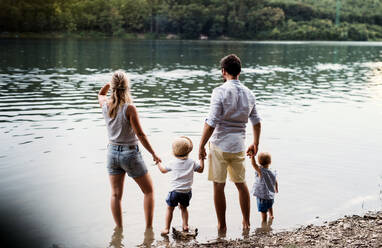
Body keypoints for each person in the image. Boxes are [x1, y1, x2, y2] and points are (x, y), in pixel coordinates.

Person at [199, 54, 261, 232]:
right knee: (241, 185)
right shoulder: (249, 93)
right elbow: (256, 121)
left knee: (219, 186)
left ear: (223, 71)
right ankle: (246, 223)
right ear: (240, 72)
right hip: (239, 145)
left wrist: (202, 144)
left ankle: (222, 225)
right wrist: (255, 143)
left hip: (219, 145)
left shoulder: (219, 91)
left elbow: (211, 122)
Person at [98, 70, 161, 230]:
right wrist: (154, 153)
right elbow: (140, 134)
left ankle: (119, 231)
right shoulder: (129, 108)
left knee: (115, 195)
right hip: (130, 154)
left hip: (112, 153)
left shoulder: (105, 105)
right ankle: (148, 230)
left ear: (113, 87)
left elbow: (101, 94)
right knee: (149, 191)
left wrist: (107, 87)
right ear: (127, 87)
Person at [156, 136, 204, 235]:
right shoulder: (192, 162)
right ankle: (185, 225)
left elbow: (163, 170)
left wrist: (158, 163)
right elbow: (201, 170)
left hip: (174, 192)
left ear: (174, 152)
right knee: (184, 208)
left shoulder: (172, 162)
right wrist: (202, 159)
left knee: (170, 208)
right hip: (186, 192)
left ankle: (166, 228)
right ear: (189, 151)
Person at [250, 152, 278, 224]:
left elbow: (254, 164)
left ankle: (264, 221)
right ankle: (271, 215)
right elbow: (275, 181)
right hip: (270, 195)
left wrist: (252, 157)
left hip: (262, 195)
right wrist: (276, 189)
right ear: (270, 162)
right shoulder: (272, 171)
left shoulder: (261, 171)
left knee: (263, 211)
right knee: (270, 205)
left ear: (259, 162)